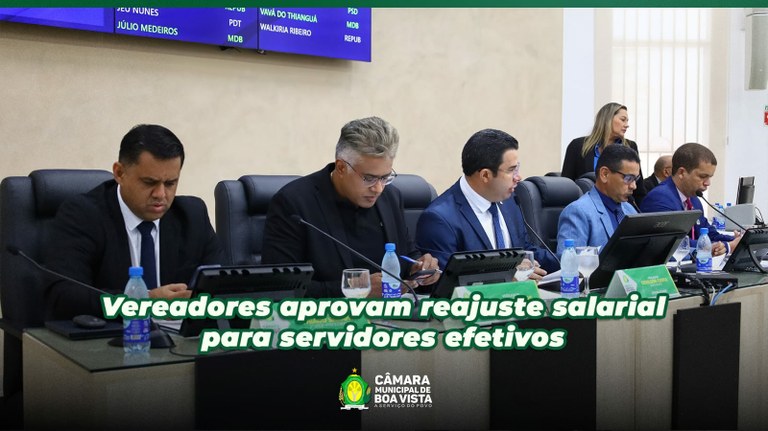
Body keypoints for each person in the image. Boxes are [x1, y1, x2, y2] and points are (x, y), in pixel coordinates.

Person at [44, 124, 225, 320]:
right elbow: (64, 295)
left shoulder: (192, 216)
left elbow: (224, 287)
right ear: (119, 173)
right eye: (149, 182)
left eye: (170, 183)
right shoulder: (83, 215)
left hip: (177, 335)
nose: (160, 194)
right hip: (114, 334)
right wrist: (144, 302)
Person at [261, 116, 439, 298]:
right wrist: (357, 289)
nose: (378, 188)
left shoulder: (391, 197)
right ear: (341, 167)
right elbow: (281, 287)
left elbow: (405, 255)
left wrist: (420, 267)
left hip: (391, 311)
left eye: (385, 177)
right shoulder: (294, 203)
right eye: (369, 178)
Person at [415, 129, 558, 277]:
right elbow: (447, 280)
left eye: (517, 168)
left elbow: (525, 251)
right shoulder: (439, 219)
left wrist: (568, 263)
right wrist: (507, 274)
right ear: (485, 175)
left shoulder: (510, 201)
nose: (518, 177)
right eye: (511, 170)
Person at [640, 142, 740, 256]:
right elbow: (674, 244)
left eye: (709, 177)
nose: (708, 183)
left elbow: (707, 233)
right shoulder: (660, 198)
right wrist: (727, 246)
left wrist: (736, 240)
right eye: (703, 176)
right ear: (682, 172)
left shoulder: (693, 199)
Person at [557, 144, 641, 255]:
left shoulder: (630, 209)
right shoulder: (577, 212)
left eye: (636, 179)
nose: (634, 186)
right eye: (628, 178)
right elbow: (570, 262)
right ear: (604, 174)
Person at [561, 102, 647, 204]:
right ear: (607, 119)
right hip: (586, 206)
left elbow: (639, 190)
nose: (627, 125)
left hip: (621, 207)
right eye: (623, 119)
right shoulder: (578, 146)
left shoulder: (630, 146)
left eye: (627, 121)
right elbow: (566, 185)